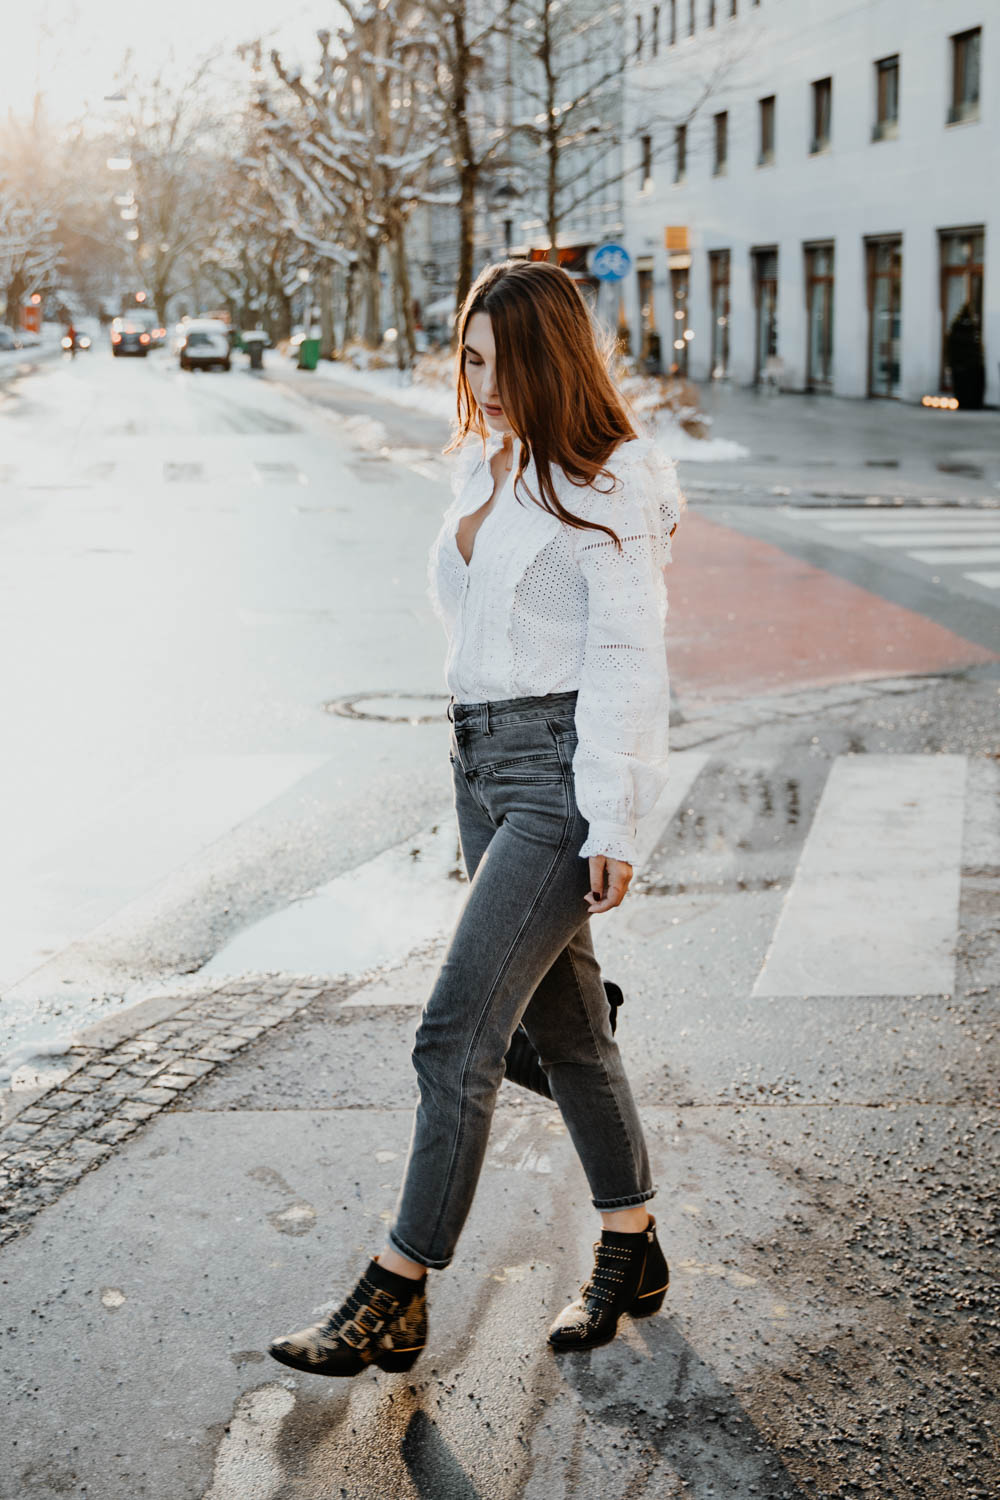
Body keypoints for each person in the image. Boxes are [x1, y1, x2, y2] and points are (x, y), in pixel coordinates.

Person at [267, 260, 681, 1378]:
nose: (479, 384)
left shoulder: (610, 482)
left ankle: (396, 1290)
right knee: (570, 1031)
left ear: (549, 360)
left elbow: (627, 658)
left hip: (556, 779)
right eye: (468, 358)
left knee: (454, 1035)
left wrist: (615, 819)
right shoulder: (480, 463)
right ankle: (631, 1245)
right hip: (479, 766)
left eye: (499, 364)